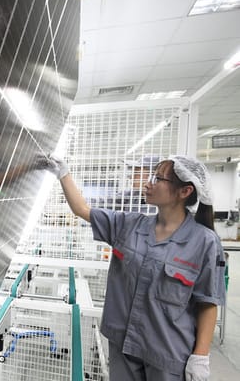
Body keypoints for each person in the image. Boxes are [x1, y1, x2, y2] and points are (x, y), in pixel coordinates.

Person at [42, 154, 226, 381]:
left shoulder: (205, 242)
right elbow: (82, 209)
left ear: (184, 192)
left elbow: (208, 302)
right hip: (123, 344)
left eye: (158, 179)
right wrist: (63, 173)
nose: (149, 183)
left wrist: (200, 356)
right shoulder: (129, 225)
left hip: (167, 353)